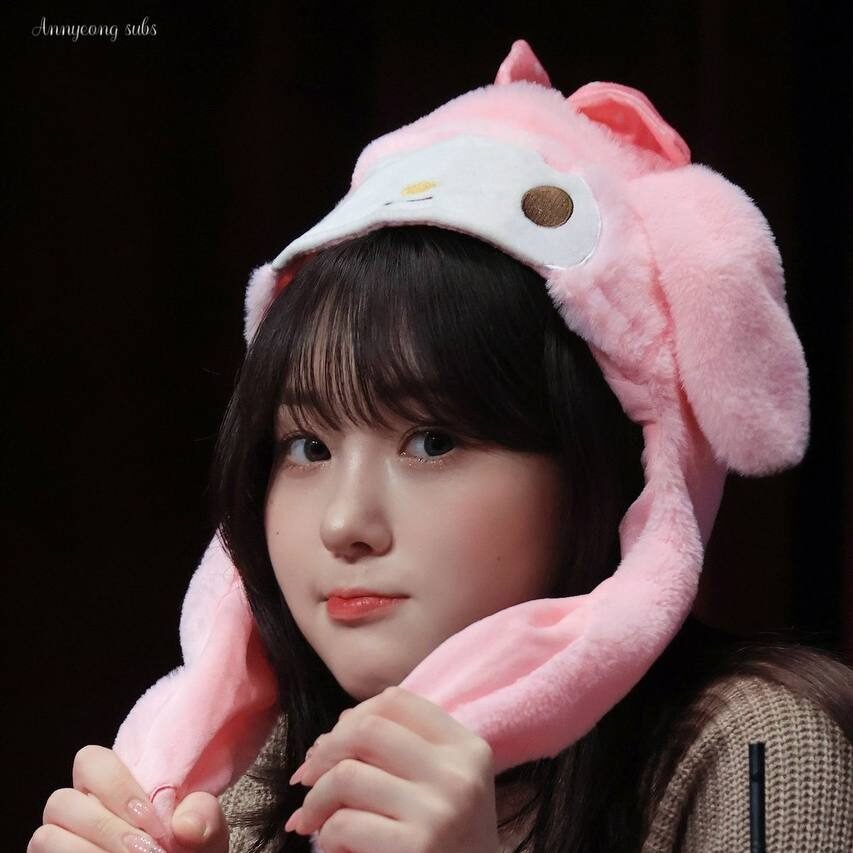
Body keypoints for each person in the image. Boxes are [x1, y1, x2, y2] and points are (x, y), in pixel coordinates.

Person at [29, 40, 853, 853]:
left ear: (603, 467)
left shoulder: (749, 748)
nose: (344, 524)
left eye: (430, 441)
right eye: (306, 447)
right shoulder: (242, 778)